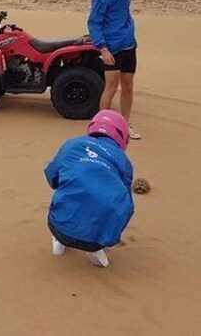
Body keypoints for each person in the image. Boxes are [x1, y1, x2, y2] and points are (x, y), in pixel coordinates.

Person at [44, 109, 135, 268]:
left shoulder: (72, 145)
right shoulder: (123, 161)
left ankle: (60, 240)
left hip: (58, 227)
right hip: (97, 241)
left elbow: (52, 176)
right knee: (119, 202)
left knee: (68, 190)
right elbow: (128, 205)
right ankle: (97, 245)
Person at [87, 0, 141, 140]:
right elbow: (94, 21)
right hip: (112, 47)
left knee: (128, 85)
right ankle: (100, 126)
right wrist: (103, 48)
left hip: (129, 45)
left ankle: (125, 124)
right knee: (110, 87)